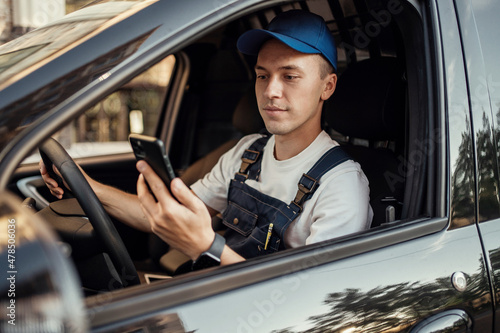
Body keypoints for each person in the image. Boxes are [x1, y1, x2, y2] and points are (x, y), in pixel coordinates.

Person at [40, 10, 373, 270]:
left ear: (327, 87)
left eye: (289, 76)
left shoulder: (341, 185)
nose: (271, 91)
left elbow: (313, 303)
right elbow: (163, 215)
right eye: (262, 75)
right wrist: (85, 185)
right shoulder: (248, 153)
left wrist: (207, 247)